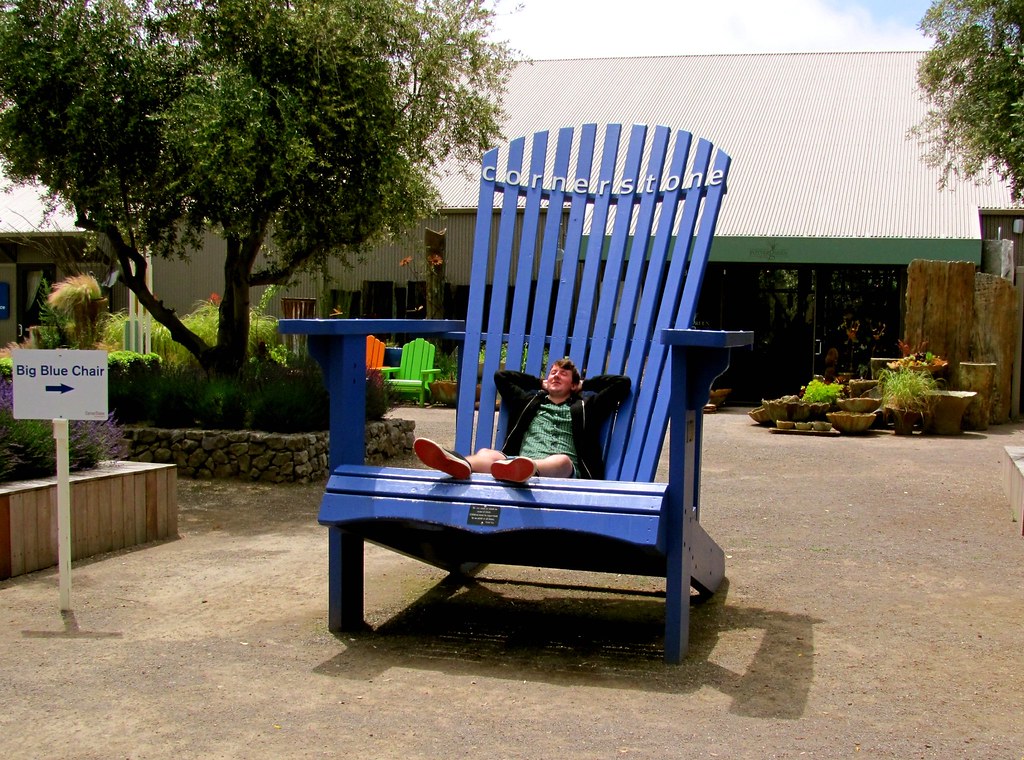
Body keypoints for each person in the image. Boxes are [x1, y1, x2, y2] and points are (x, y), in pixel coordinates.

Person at [414, 357, 631, 484]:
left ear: (574, 385)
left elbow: (622, 384)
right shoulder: (528, 401)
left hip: (563, 471)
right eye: (552, 372)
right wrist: (539, 382)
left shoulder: (586, 407)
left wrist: (583, 385)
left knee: (562, 460)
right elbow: (501, 377)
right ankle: (461, 464)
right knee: (487, 453)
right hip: (516, 462)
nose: (555, 376)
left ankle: (524, 470)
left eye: (563, 375)